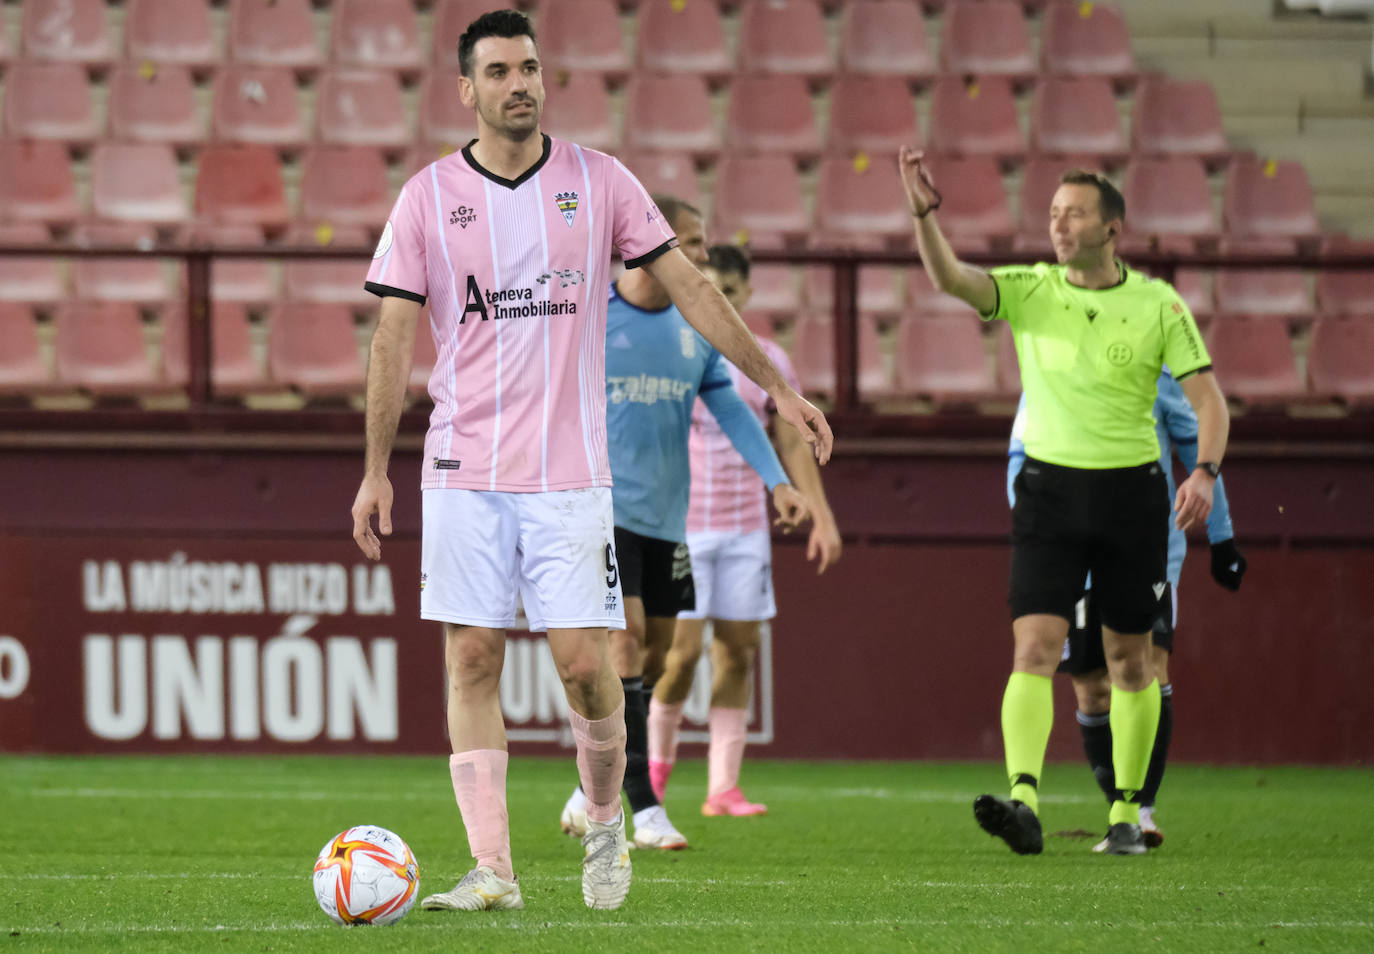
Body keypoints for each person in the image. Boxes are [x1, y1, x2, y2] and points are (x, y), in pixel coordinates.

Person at [350, 10, 833, 914]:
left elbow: (691, 286)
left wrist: (777, 385)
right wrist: (376, 468)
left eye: (529, 67)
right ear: (468, 90)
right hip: (463, 468)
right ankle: (493, 869)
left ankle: (608, 823)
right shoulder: (426, 197)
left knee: (583, 663)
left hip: (571, 476)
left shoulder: (600, 182)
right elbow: (393, 334)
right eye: (497, 72)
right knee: (470, 662)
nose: (518, 84)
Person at [898, 147, 1230, 856]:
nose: (1058, 223)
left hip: (1130, 496)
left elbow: (1209, 400)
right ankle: (1023, 799)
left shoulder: (1158, 303)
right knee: (1034, 648)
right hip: (1048, 492)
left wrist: (1203, 472)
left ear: (1112, 228)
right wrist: (925, 217)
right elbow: (952, 278)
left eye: (1073, 212)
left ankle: (1127, 813)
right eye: (1052, 212)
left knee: (1131, 661)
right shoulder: (1032, 288)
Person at [558, 203, 813, 850]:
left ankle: (592, 780)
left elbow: (728, 404)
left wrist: (777, 480)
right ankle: (640, 807)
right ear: (644, 241)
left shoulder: (696, 328)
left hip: (669, 518)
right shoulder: (591, 317)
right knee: (627, 642)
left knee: (655, 654)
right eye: (691, 243)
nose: (701, 257)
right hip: (602, 513)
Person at [1008, 369, 1247, 850]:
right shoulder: (1048, 364)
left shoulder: (1154, 372)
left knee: (1145, 665)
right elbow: (1019, 456)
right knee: (1091, 687)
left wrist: (1222, 537)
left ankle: (1140, 811)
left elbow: (1195, 453)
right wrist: (1034, 526)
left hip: (1145, 546)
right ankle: (1116, 810)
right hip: (1070, 551)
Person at [646, 244, 843, 817]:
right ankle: (654, 778)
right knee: (679, 657)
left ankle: (722, 788)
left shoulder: (769, 361)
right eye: (712, 290)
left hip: (745, 528)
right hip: (683, 526)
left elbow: (791, 440)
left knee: (737, 652)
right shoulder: (677, 352)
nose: (720, 302)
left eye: (730, 292)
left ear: (747, 294)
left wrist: (820, 515)